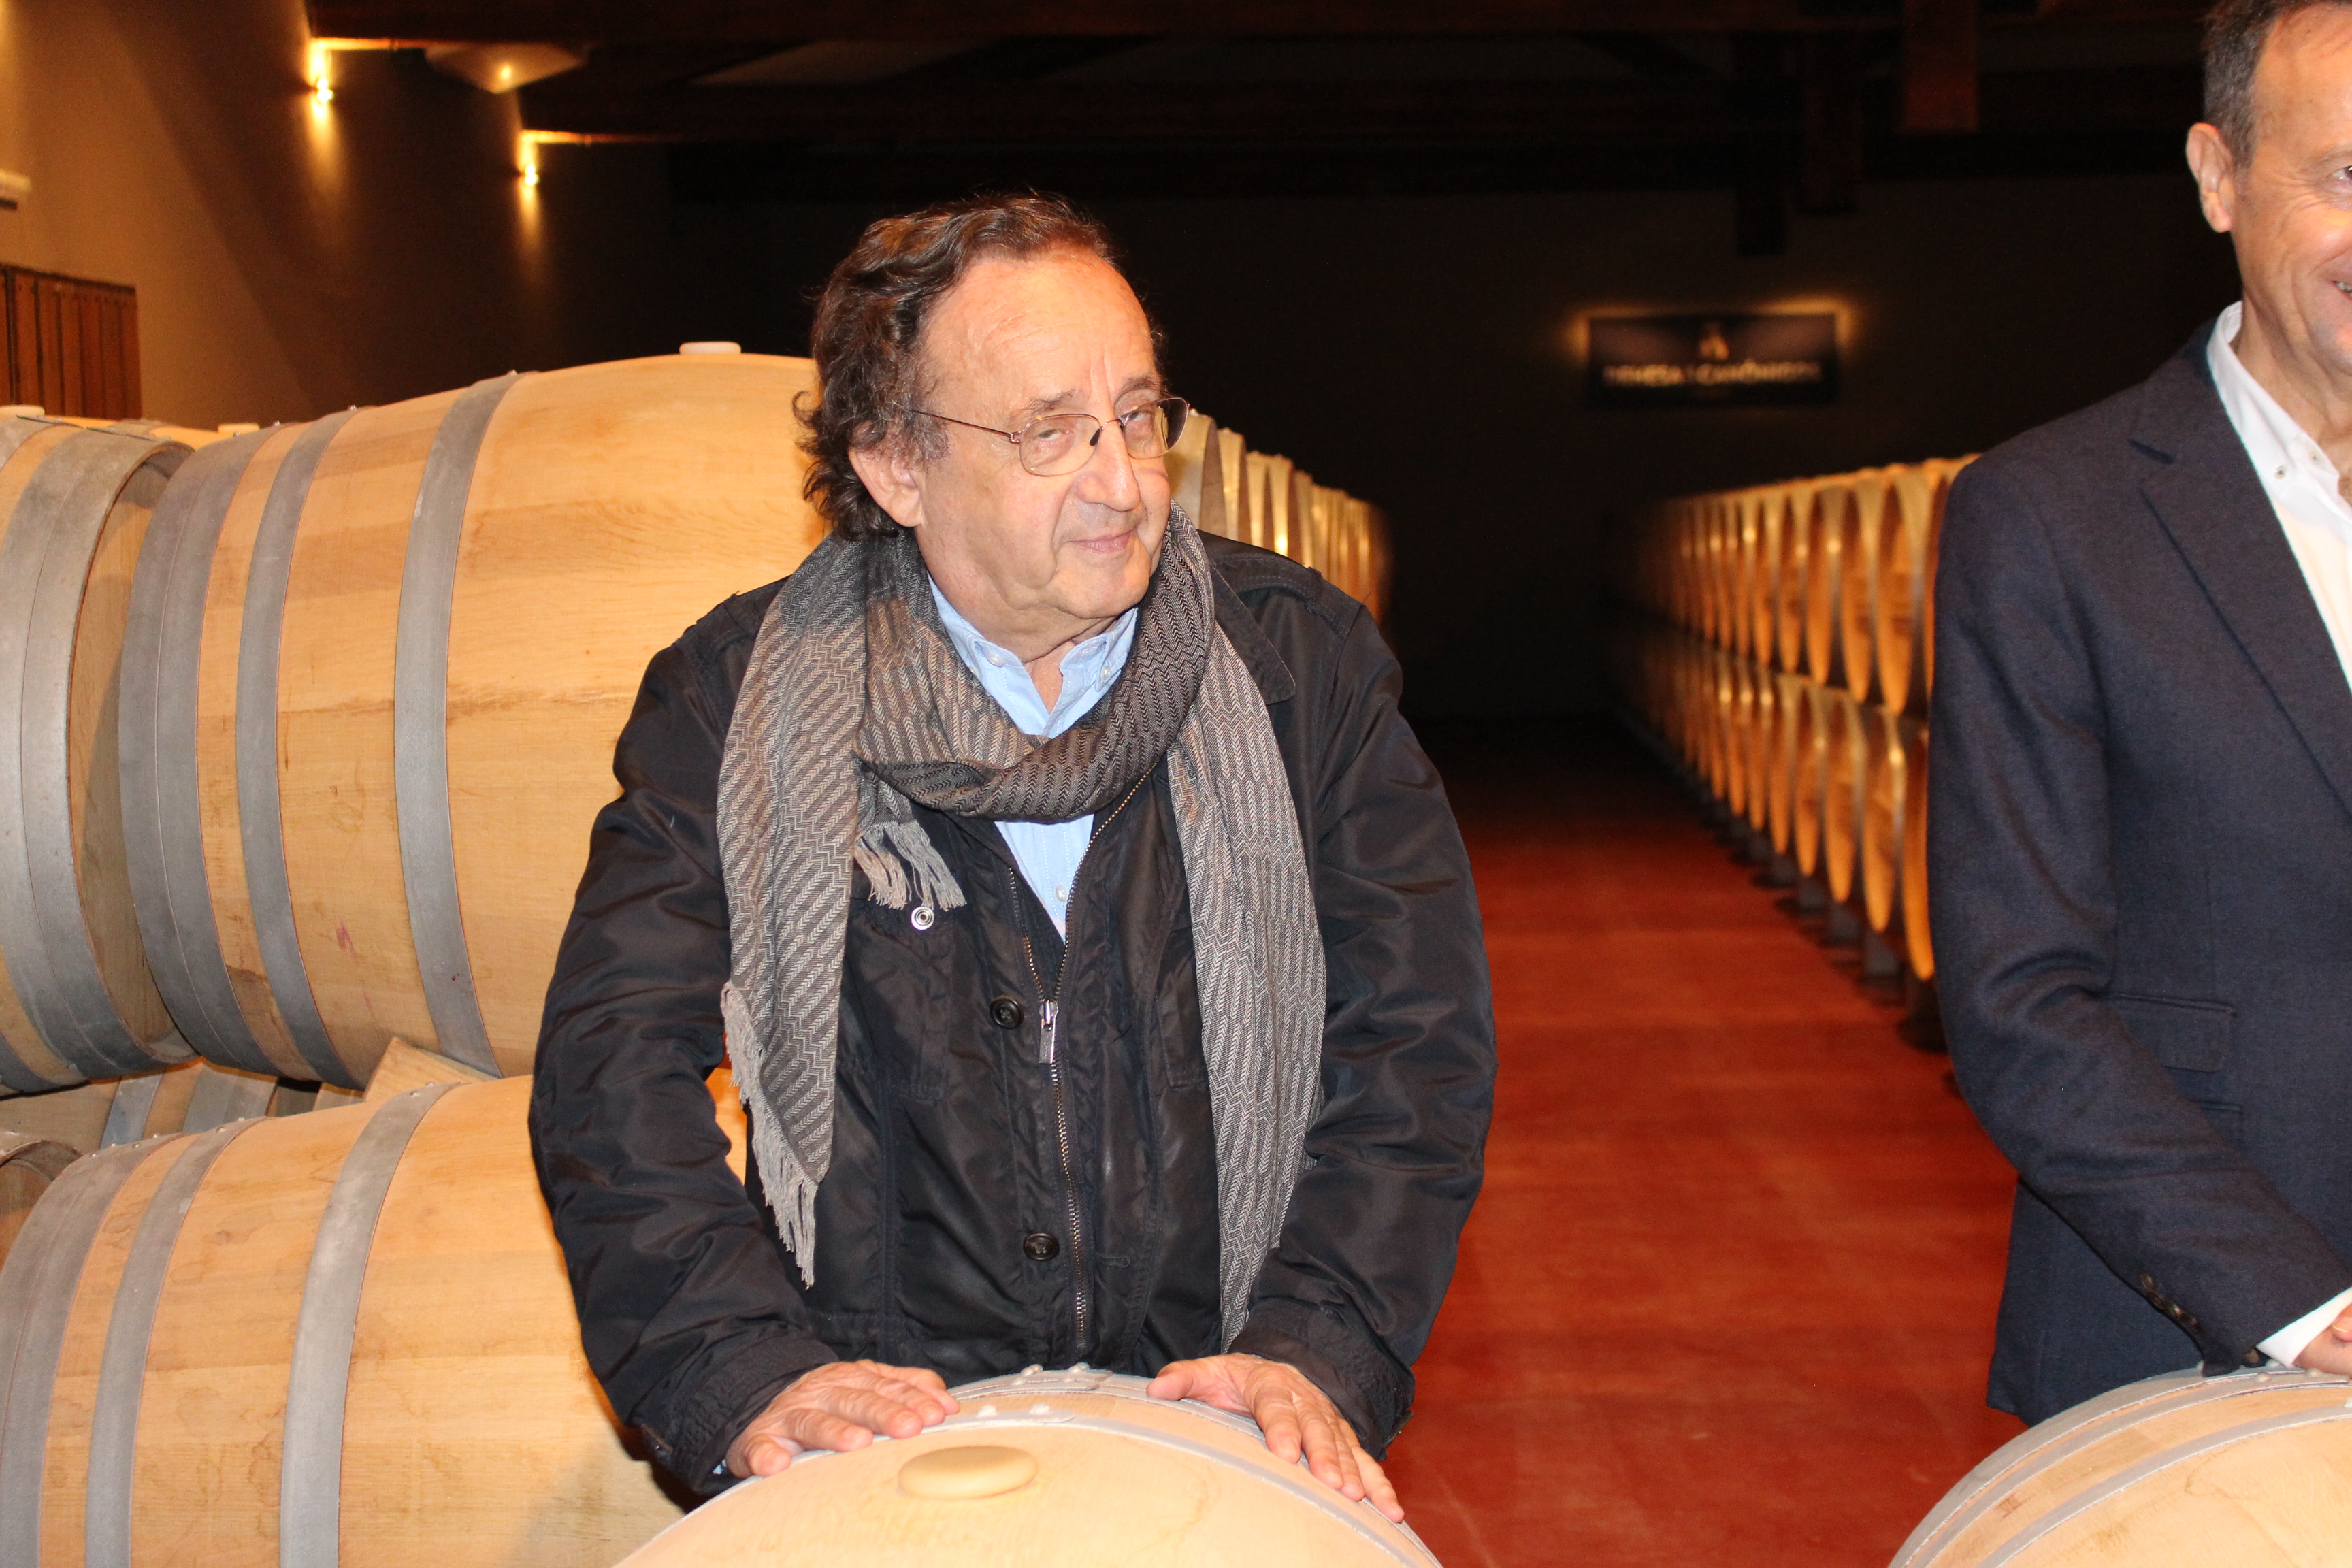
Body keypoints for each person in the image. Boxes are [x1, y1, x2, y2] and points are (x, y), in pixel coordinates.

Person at [528, 195, 1494, 1518]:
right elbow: (613, 1061)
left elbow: (1416, 1041)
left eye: (1137, 416)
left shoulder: (1297, 668)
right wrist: (737, 1365)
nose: (1122, 482)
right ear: (896, 467)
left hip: (1215, 1424)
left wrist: (1318, 1341)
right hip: (888, 1456)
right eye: (1051, 433)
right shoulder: (739, 699)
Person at [1932, 0, 2352, 1426]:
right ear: (2219, 175)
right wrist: (2299, 1302)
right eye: (2345, 176)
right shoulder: (2052, 515)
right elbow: (2019, 999)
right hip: (2200, 1339)